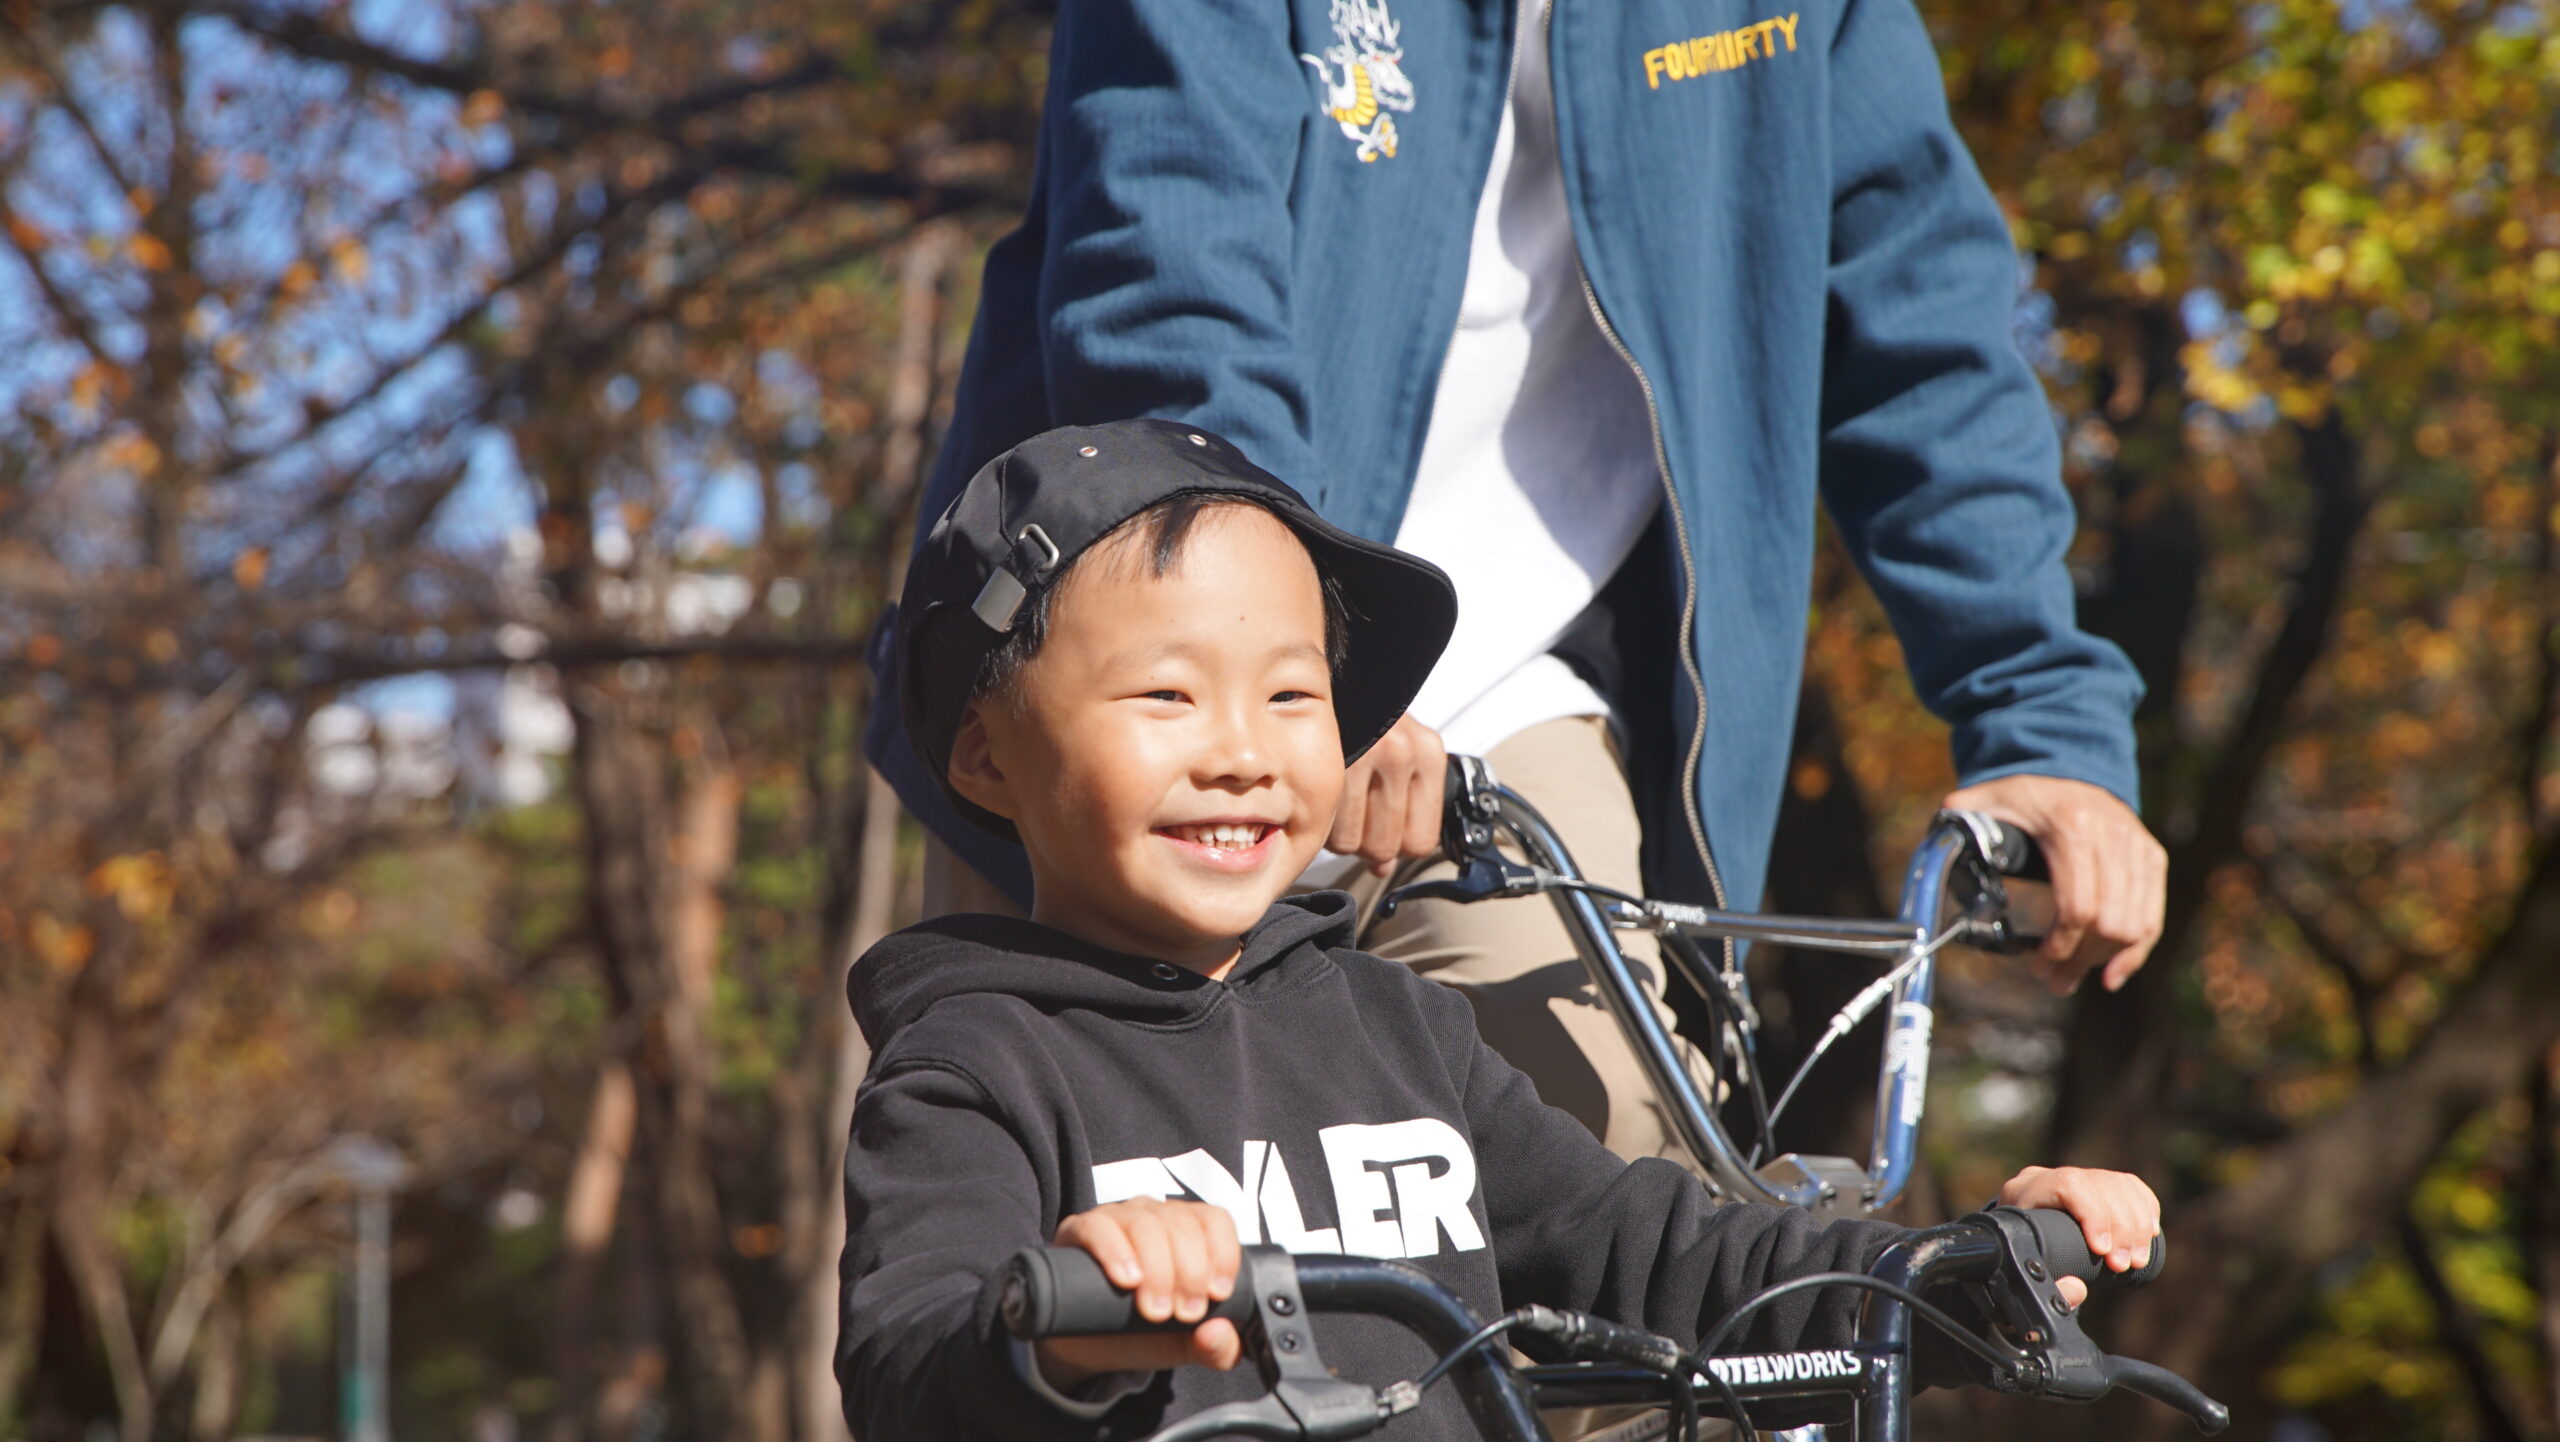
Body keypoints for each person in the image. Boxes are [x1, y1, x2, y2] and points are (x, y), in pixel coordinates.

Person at [860, 0, 2168, 1174]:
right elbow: (1166, 270)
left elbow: (1921, 319)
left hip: (1517, 686)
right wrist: (1308, 678)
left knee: (1603, 1173)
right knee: (1083, 1212)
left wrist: (2040, 718)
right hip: (1160, 687)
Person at [834, 419, 2162, 1441]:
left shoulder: (1396, 1026)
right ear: (988, 756)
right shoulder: (976, 1063)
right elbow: (907, 1364)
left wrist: (1950, 1265)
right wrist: (1058, 1325)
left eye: (1294, 694)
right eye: (1168, 694)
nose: (1242, 751)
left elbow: (1667, 1252)